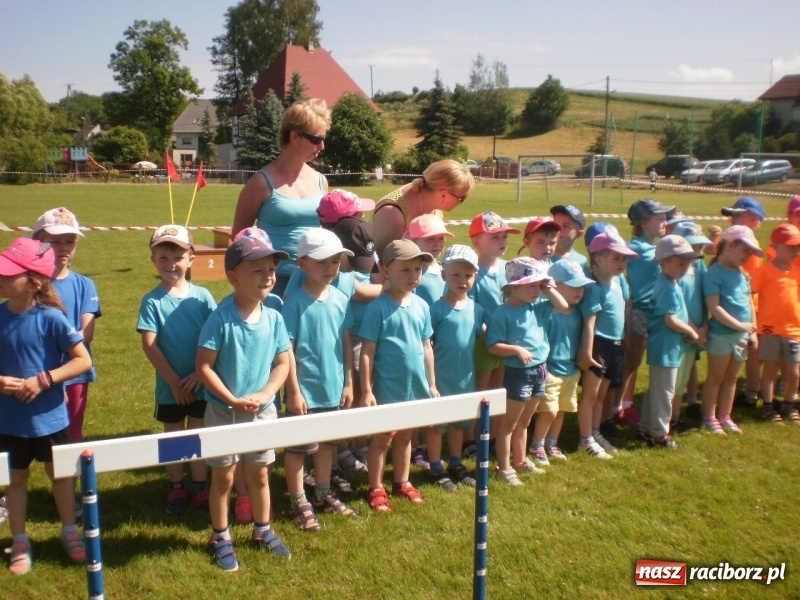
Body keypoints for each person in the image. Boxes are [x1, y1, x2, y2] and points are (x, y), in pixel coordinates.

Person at [196, 229, 292, 571]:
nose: (267, 275)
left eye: (271, 269)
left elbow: (282, 362)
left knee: (261, 475)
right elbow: (204, 367)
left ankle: (262, 529)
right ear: (233, 276)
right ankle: (220, 536)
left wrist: (267, 395)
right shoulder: (220, 319)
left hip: (262, 413)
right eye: (257, 269)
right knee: (222, 478)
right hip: (223, 412)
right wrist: (231, 400)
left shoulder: (275, 317)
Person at [0, 237, 92, 575]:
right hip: (9, 422)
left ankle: (70, 532)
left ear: (34, 282)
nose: (1, 277)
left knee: (61, 477)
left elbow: (82, 361)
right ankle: (20, 540)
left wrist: (44, 380)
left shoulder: (52, 319)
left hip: (51, 421)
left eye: (8, 274)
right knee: (17, 480)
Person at [282, 228, 358, 531]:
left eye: (335, 262)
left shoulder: (341, 299)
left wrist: (349, 382)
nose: (330, 268)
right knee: (298, 449)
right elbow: (285, 350)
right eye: (322, 262)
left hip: (333, 388)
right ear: (302, 264)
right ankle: (297, 499)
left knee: (327, 445)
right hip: (304, 392)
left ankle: (323, 491)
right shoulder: (294, 303)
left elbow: (345, 343)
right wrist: (294, 391)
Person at [137, 225, 217, 514]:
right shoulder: (152, 301)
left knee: (197, 433)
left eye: (178, 257)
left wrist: (200, 373)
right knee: (173, 437)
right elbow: (150, 345)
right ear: (153, 260)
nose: (171, 264)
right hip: (169, 387)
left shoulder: (203, 297)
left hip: (201, 383)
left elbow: (214, 339)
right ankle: (176, 486)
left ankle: (199, 485)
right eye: (163, 257)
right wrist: (173, 381)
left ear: (191, 259)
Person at [359, 240, 437, 512]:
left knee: (406, 436)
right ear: (386, 270)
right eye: (406, 270)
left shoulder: (422, 306)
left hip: (415, 386)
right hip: (387, 387)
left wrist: (432, 383)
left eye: (418, 269)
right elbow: (367, 351)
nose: (414, 275)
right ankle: (376, 487)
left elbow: (427, 347)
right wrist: (367, 390)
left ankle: (402, 481)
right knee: (383, 438)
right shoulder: (377, 308)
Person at [231, 98, 332, 297]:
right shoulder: (260, 182)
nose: (322, 146)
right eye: (316, 139)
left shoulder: (321, 181)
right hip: (272, 283)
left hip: (314, 282)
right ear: (295, 136)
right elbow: (238, 240)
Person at [487, 257, 568, 485]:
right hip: (518, 374)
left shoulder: (538, 308)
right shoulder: (502, 313)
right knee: (509, 425)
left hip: (540, 370)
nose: (536, 290)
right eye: (531, 285)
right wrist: (515, 349)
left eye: (538, 285)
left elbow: (563, 306)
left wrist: (548, 286)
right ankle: (504, 468)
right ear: (514, 286)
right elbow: (493, 346)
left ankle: (520, 461)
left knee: (525, 422)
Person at [31, 207, 101, 444]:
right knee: (34, 434)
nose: (63, 247)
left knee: (72, 433)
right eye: (54, 241)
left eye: (69, 241)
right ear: (39, 243)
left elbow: (87, 332)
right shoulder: (32, 285)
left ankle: (70, 480)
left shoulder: (84, 285)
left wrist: (62, 373)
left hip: (74, 374)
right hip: (37, 370)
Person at [427, 245, 484, 491]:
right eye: (456, 275)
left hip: (465, 378)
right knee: (437, 426)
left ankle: (455, 461)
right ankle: (435, 466)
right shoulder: (436, 310)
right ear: (444, 275)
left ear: (475, 276)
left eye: (468, 275)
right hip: (441, 379)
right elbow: (427, 344)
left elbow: (483, 337)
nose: (462, 280)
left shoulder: (477, 310)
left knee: (460, 424)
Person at [578, 232, 639, 459]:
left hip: (615, 345)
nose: (622, 263)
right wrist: (586, 351)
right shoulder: (595, 289)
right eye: (616, 258)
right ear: (598, 259)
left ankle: (594, 432)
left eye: (624, 259)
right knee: (591, 395)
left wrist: (623, 339)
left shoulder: (619, 282)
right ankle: (585, 439)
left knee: (602, 396)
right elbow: (589, 322)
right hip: (598, 346)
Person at [638, 235, 702, 449]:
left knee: (657, 390)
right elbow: (670, 319)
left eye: (688, 263)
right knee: (665, 392)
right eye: (680, 263)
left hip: (669, 346)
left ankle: (646, 427)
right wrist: (691, 332)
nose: (685, 267)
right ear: (663, 262)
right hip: (666, 347)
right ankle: (659, 434)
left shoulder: (670, 282)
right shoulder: (667, 286)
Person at [616, 198, 673, 436]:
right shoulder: (637, 248)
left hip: (650, 311)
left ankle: (624, 404)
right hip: (638, 310)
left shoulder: (651, 246)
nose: (665, 223)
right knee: (630, 362)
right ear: (644, 222)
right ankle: (616, 407)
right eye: (660, 219)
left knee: (634, 362)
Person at [530, 261, 593, 464]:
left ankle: (552, 442)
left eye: (582, 287)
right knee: (550, 410)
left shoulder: (577, 312)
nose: (579, 291)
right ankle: (536, 445)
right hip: (550, 369)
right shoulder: (545, 310)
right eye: (573, 286)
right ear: (555, 286)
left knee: (562, 409)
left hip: (571, 369)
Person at [700, 226, 761, 437]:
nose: (748, 257)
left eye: (750, 253)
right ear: (730, 245)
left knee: (731, 379)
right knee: (716, 378)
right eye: (745, 251)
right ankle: (709, 416)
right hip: (722, 336)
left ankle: (725, 415)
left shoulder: (742, 274)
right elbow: (714, 308)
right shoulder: (714, 274)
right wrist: (740, 326)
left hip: (741, 337)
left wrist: (751, 331)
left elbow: (750, 304)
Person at [750, 224, 800, 425]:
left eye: (797, 246)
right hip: (769, 329)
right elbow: (750, 293)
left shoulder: (797, 271)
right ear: (775, 246)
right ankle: (768, 407)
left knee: (793, 373)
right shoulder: (765, 271)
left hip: (794, 330)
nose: (795, 250)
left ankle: (789, 405)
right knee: (769, 370)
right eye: (791, 246)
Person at [372, 159, 474, 255]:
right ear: (443, 195)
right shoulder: (392, 212)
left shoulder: (436, 208)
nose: (463, 202)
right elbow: (382, 260)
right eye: (462, 197)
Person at [720, 197, 765, 407]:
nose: (732, 219)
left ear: (754, 219)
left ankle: (752, 392)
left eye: (738, 215)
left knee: (751, 352)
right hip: (745, 301)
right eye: (732, 215)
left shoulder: (749, 247)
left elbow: (748, 278)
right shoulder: (739, 243)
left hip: (749, 304)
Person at [669, 221, 713, 428]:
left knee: (683, 378)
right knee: (673, 380)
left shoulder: (699, 266)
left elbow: (703, 299)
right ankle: (668, 417)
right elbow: (677, 305)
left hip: (696, 332)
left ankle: (676, 416)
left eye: (699, 247)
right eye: (692, 247)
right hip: (679, 332)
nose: (696, 252)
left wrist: (704, 326)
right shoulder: (674, 272)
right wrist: (692, 329)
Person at [406, 214, 454, 306]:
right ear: (413, 241)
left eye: (441, 238)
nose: (437, 243)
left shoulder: (446, 269)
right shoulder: (411, 275)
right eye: (430, 239)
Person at [549, 204, 589, 272]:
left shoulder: (581, 262)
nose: (558, 229)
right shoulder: (542, 256)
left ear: (579, 234)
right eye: (555, 223)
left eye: (566, 226)